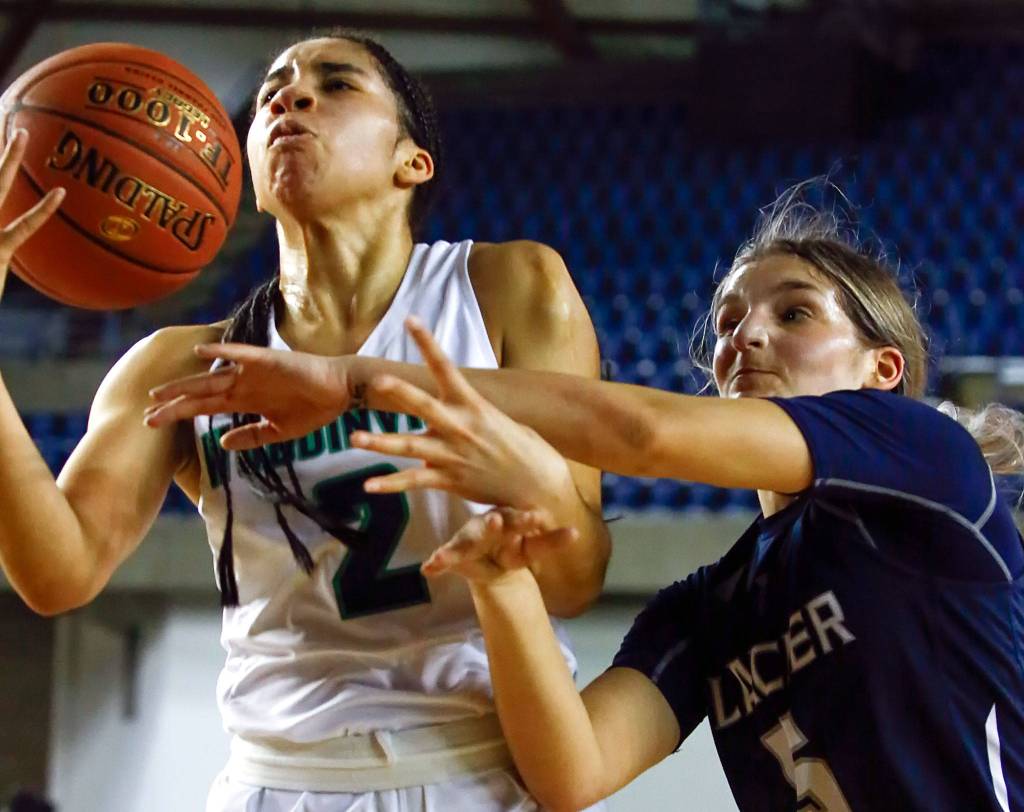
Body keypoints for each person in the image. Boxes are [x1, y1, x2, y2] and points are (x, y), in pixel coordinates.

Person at [149, 187, 1024, 810]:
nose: (743, 337)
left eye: (793, 314)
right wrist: (501, 583)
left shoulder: (924, 464)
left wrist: (350, 381)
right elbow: (571, 773)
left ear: (883, 370)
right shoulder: (714, 606)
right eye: (725, 321)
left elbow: (642, 434)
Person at [0, 30, 611, 811]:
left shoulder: (508, 287)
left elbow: (579, 577)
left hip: (477, 763)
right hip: (274, 778)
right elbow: (55, 572)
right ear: (249, 175)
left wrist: (535, 497)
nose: (292, 96)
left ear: (411, 161)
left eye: (337, 83)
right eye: (273, 92)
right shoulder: (183, 363)